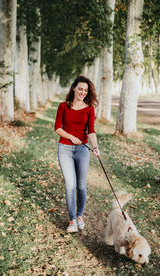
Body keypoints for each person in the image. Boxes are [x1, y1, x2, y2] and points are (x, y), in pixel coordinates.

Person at [54, 75, 100, 233]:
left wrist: (95, 147)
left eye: (85, 90)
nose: (82, 92)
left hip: (82, 150)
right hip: (65, 148)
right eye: (80, 89)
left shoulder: (89, 109)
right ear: (74, 88)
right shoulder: (63, 106)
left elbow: (91, 131)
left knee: (80, 185)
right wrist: (71, 137)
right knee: (69, 185)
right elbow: (57, 129)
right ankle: (72, 220)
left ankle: (80, 216)